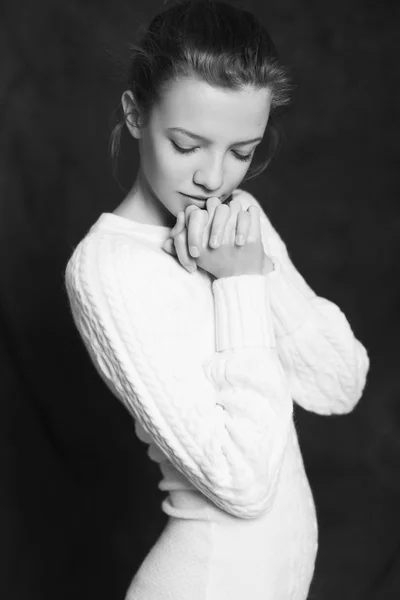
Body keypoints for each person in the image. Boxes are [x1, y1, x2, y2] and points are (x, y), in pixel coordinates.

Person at [64, 0, 370, 598]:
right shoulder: (105, 269)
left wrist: (253, 270)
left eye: (241, 151)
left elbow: (339, 384)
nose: (213, 178)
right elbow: (242, 484)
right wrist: (235, 285)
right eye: (187, 144)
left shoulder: (237, 220)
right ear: (134, 114)